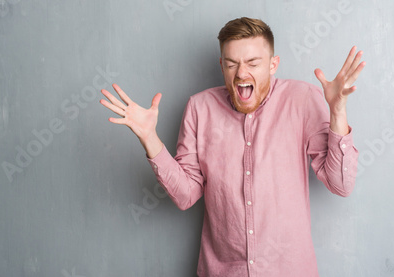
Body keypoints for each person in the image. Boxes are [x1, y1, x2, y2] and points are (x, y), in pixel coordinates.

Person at [100, 17, 364, 277]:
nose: (241, 73)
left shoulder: (302, 99)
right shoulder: (199, 108)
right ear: (221, 65)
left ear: (273, 64)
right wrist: (149, 137)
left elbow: (340, 184)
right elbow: (185, 196)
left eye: (253, 63)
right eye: (231, 64)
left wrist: (338, 112)